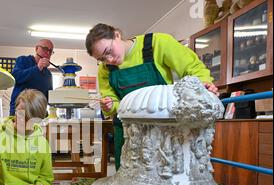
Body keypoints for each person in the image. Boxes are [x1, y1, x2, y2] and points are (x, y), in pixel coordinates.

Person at [85, 23, 219, 170]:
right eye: (102, 58)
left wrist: (203, 86)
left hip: (161, 126)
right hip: (127, 130)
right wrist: (110, 105)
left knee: (161, 172)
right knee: (126, 175)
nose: (109, 60)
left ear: (117, 35)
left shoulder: (158, 43)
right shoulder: (105, 69)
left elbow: (193, 68)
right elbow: (113, 101)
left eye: (109, 51)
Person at [9, 39, 54, 116]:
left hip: (38, 113)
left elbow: (48, 97)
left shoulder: (48, 74)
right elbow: (15, 78)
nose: (48, 53)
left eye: (50, 51)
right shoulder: (23, 60)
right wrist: (37, 68)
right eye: (45, 49)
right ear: (36, 49)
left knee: (38, 128)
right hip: (20, 111)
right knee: (20, 128)